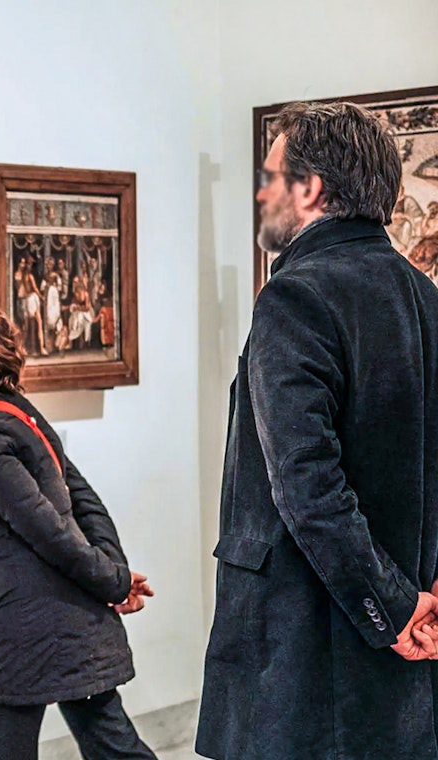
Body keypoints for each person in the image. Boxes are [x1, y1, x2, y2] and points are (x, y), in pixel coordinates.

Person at [196, 101, 438, 759]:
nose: (260, 192)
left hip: (307, 657)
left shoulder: (297, 295)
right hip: (405, 649)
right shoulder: (425, 298)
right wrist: (424, 596)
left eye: (271, 175)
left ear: (309, 188)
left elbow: (308, 488)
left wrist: (386, 607)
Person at [0, 302, 154, 760]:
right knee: (115, 747)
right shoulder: (16, 412)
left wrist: (114, 579)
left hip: (25, 629)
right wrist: (112, 574)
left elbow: (46, 528)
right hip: (74, 619)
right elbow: (84, 503)